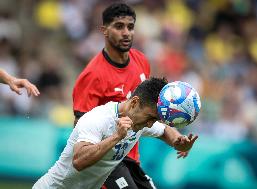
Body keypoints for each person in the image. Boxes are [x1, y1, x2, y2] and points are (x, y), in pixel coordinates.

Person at [72, 3, 196, 188]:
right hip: (106, 162)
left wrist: (176, 139)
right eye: (119, 26)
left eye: (130, 27)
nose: (126, 32)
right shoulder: (92, 76)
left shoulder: (141, 61)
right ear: (104, 30)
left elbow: (150, 114)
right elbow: (80, 131)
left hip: (131, 158)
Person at [33, 77, 198, 189]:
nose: (151, 124)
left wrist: (179, 141)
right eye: (151, 118)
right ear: (134, 102)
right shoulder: (98, 118)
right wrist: (117, 137)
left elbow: (165, 131)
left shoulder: (141, 120)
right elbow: (79, 160)